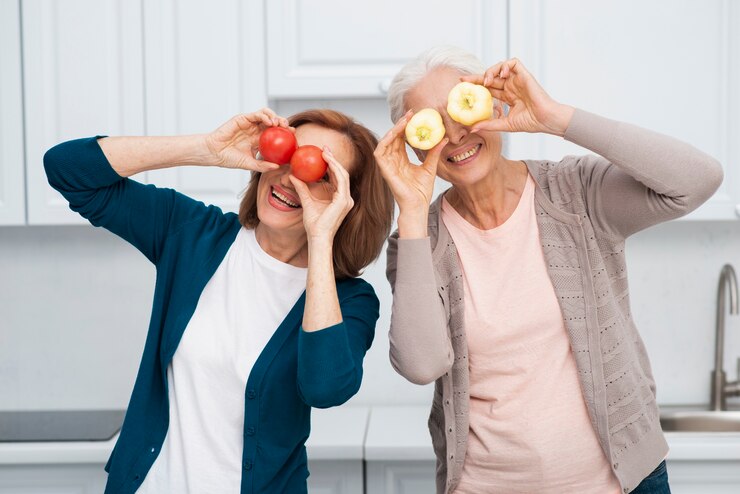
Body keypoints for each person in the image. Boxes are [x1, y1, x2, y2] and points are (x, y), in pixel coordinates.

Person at [375, 46, 723, 494]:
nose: (455, 136)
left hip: (621, 483)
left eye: (461, 109)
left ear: (495, 103)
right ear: (412, 143)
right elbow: (422, 365)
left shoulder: (576, 192)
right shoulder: (419, 240)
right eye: (431, 125)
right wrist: (411, 210)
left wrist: (555, 118)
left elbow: (698, 181)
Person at [43, 107, 394, 493]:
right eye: (287, 155)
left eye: (317, 172)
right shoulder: (194, 234)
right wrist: (205, 148)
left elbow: (324, 389)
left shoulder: (350, 300)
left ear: (348, 201)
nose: (291, 178)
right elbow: (66, 169)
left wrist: (322, 238)